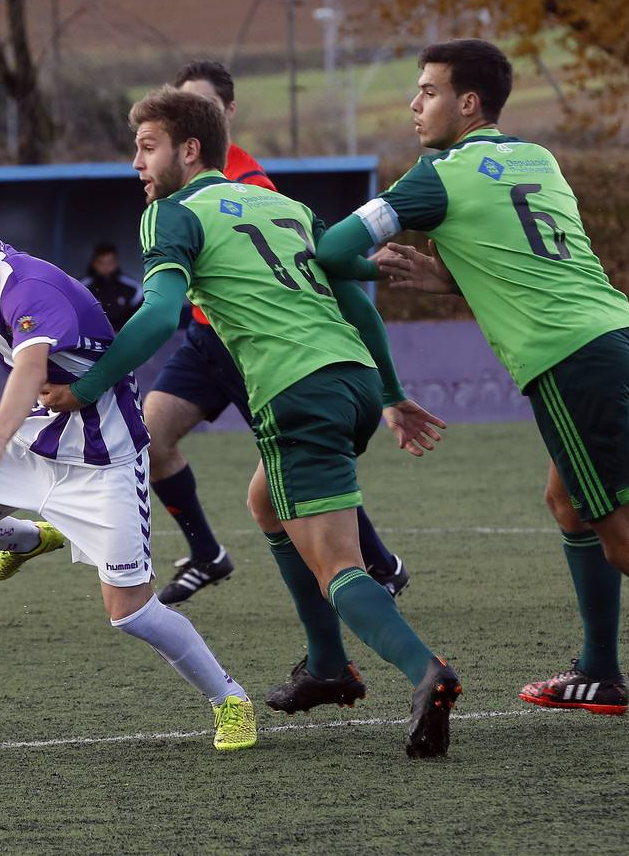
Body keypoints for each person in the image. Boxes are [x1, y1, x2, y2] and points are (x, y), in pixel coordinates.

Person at [42, 89, 458, 757]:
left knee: (339, 566)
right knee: (266, 501)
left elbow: (156, 317)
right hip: (349, 380)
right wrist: (390, 391)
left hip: (296, 391)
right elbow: (356, 293)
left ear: (189, 150)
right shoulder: (283, 205)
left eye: (146, 148)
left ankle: (425, 670)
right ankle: (326, 666)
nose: (135, 164)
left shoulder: (171, 216)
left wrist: (88, 386)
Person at [315, 38, 629, 716]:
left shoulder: (435, 175)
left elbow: (334, 248)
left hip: (569, 357)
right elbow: (521, 259)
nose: (414, 103)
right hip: (623, 337)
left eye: (428, 90)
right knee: (568, 501)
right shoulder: (536, 156)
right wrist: (448, 274)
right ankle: (599, 674)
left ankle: (603, 671)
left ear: (468, 102)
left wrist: (389, 269)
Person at [0, 177, 257, 752]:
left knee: (129, 613)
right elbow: (30, 374)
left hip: (103, 460)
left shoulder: (28, 288)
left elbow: (30, 370)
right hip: (32, 441)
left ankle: (229, 699)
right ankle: (29, 539)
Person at [147, 60, 410, 605]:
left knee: (298, 461)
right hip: (204, 338)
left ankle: (378, 566)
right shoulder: (169, 176)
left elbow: (309, 260)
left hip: (255, 341)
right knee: (150, 437)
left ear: (227, 114)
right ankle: (207, 553)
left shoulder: (247, 181)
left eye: (203, 105)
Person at [80, 242, 143, 330]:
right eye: (101, 262)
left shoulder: (133, 288)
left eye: (110, 262)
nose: (106, 267)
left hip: (124, 338)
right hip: (92, 339)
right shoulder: (81, 288)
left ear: (116, 263)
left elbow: (139, 319)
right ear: (94, 263)